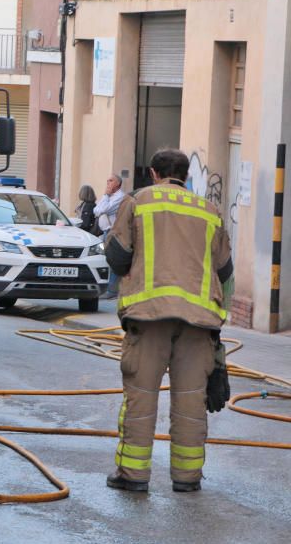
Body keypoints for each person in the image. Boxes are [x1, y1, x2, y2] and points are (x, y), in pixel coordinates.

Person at [104, 149, 233, 495]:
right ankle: (187, 478)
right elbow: (225, 269)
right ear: (186, 176)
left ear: (153, 173)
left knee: (141, 397)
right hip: (199, 322)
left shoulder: (137, 201)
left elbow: (118, 259)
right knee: (192, 402)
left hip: (149, 316)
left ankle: (133, 475)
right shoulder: (208, 210)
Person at [95, 173, 125, 298]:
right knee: (106, 261)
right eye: (107, 180)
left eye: (111, 181)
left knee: (113, 261)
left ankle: (112, 291)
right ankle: (108, 289)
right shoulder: (108, 196)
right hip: (106, 232)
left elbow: (103, 210)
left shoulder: (120, 197)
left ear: (117, 184)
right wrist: (106, 196)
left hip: (114, 232)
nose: (108, 183)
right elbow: (96, 211)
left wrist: (105, 197)